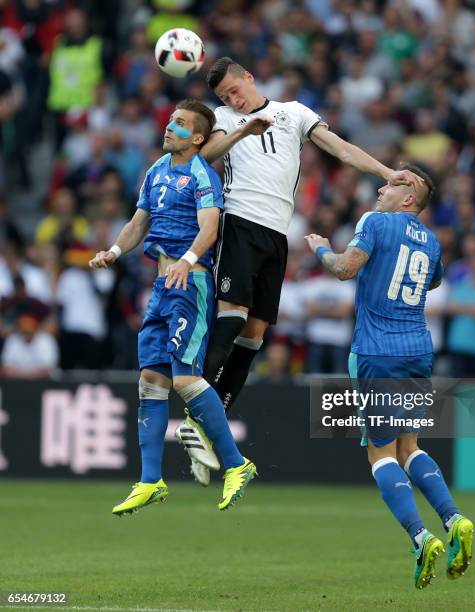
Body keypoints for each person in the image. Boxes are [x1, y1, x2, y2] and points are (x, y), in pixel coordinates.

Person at [176, 56, 423, 482]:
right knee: (232, 313)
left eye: (235, 91)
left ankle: (201, 424)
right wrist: (241, 129)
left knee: (255, 333)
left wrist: (386, 171)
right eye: (224, 97)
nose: (232, 99)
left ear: (250, 77)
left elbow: (340, 148)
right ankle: (194, 408)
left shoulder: (293, 113)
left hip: (277, 232)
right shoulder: (223, 119)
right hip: (239, 220)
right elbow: (207, 154)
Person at [305, 164, 474, 590]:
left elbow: (346, 269)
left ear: (409, 198)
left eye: (394, 183)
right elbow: (431, 282)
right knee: (411, 446)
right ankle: (453, 518)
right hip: (417, 348)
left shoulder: (375, 222)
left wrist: (322, 249)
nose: (382, 187)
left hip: (377, 352)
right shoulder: (433, 240)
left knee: (381, 455)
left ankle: (421, 538)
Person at [89, 99, 258, 514]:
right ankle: (150, 480)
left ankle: (237, 464)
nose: (170, 128)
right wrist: (113, 250)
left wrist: (185, 262)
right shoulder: (156, 170)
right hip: (162, 284)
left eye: (180, 124)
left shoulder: (202, 175)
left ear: (199, 138)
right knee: (150, 379)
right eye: (170, 121)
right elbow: (138, 223)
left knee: (184, 379)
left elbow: (210, 227)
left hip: (191, 281)